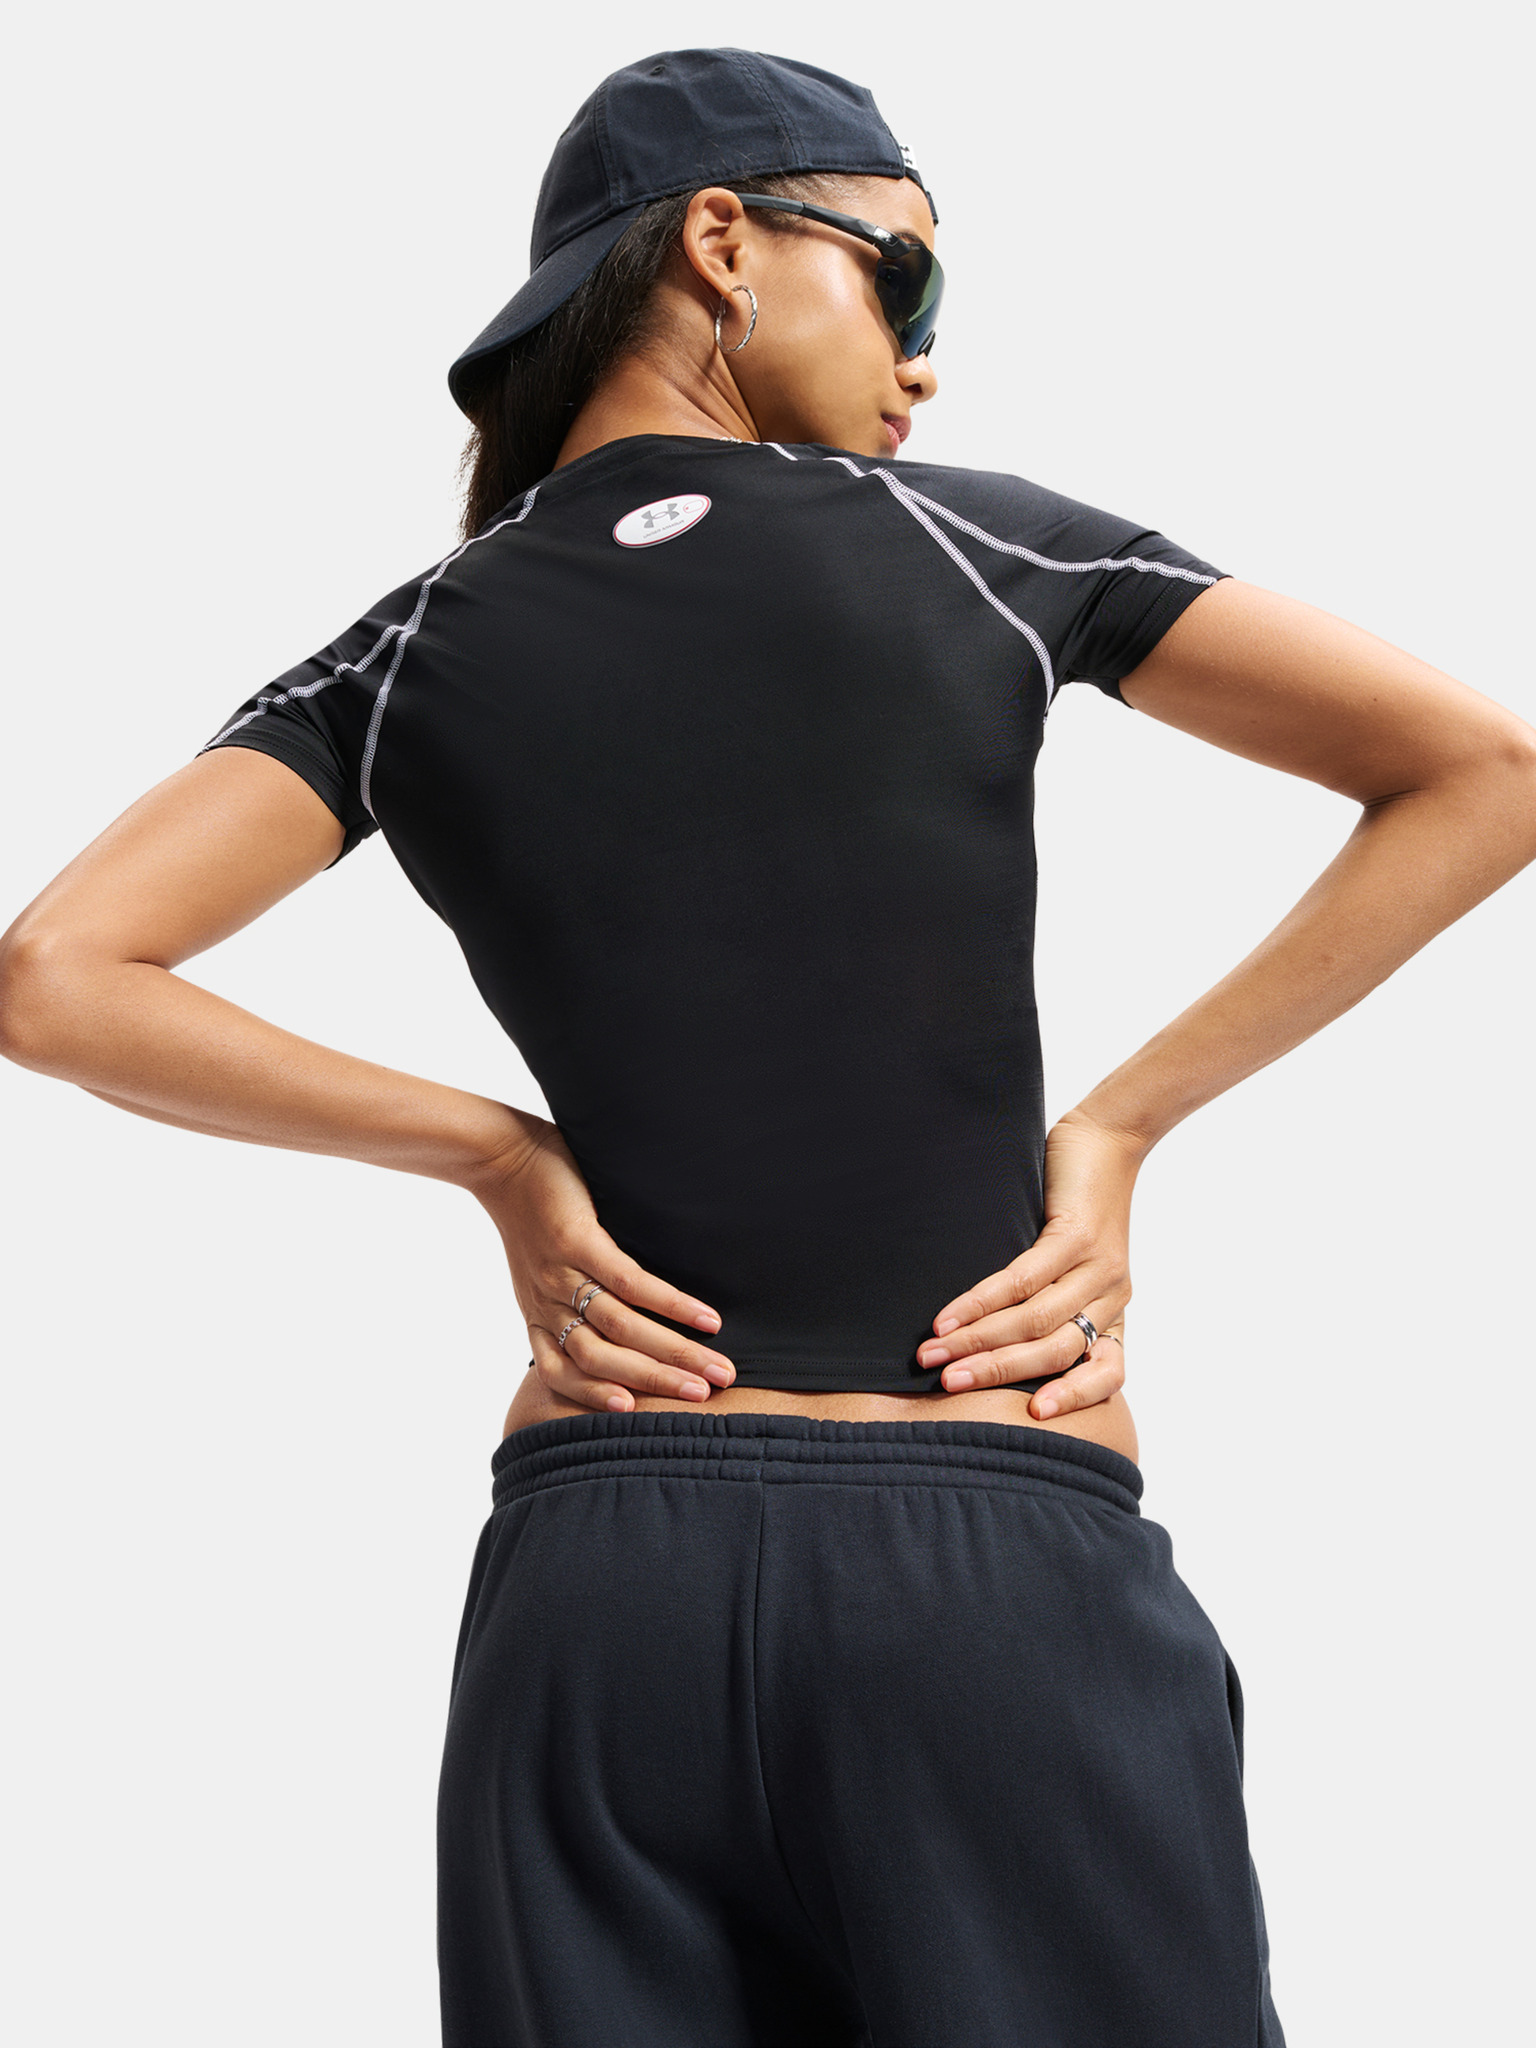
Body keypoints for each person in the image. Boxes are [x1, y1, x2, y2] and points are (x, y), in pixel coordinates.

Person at [3, 43, 1534, 2048]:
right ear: (723, 243)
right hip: (984, 1571)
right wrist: (1121, 1131)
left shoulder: (414, 645)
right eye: (907, 280)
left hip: (598, 1604)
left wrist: (498, 1158)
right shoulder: (983, 547)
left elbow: (56, 975)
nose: (925, 365)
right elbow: (1485, 770)